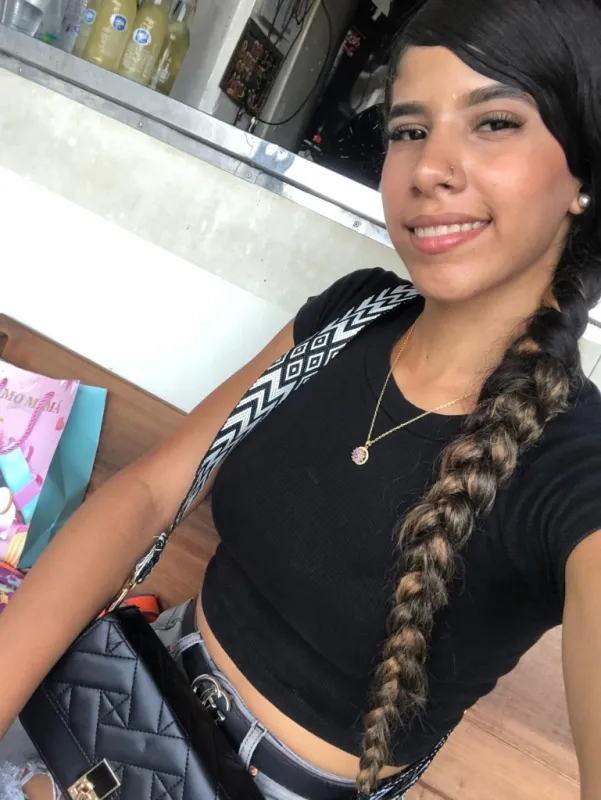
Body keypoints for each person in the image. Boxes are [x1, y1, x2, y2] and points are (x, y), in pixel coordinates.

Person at [2, 0, 601, 797]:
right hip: (121, 696)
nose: (428, 168)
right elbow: (149, 491)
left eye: (493, 122)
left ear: (581, 175)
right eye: (408, 129)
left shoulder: (576, 469)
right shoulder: (351, 314)